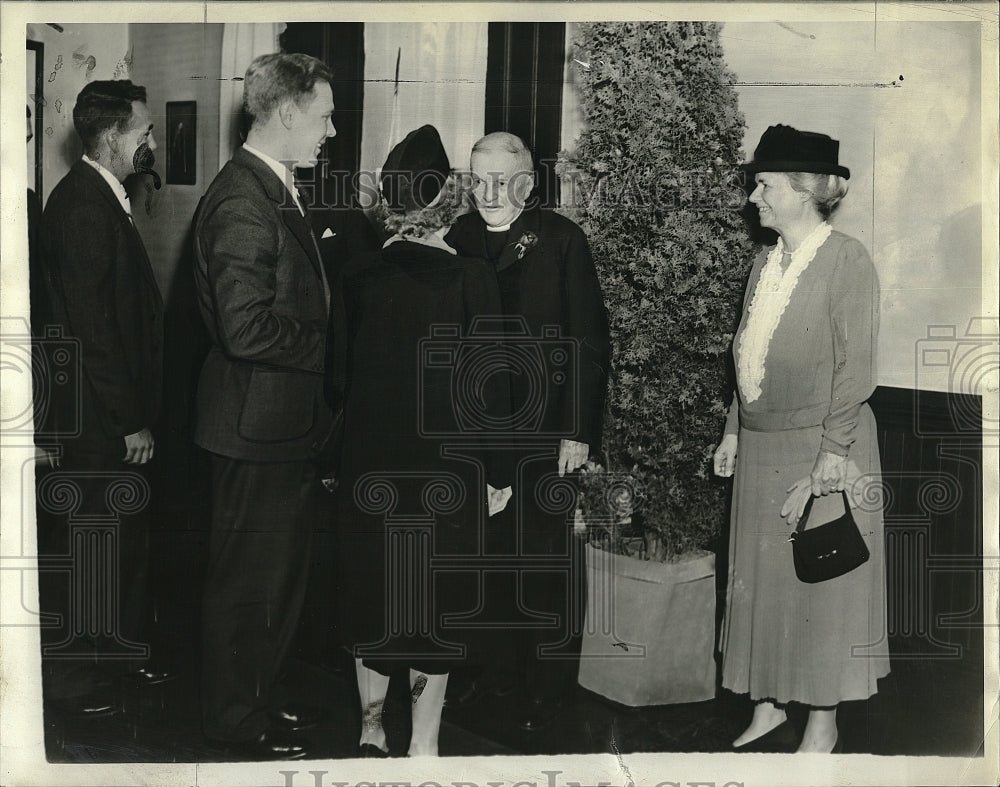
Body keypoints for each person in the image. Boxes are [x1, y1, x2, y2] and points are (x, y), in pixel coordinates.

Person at [331, 124, 513, 757]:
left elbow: (336, 382)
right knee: (434, 607)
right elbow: (488, 395)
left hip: (369, 469)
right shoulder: (473, 280)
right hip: (448, 473)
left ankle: (370, 730)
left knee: (372, 598)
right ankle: (424, 747)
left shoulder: (354, 275)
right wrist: (497, 475)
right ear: (450, 200)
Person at [713, 124, 890, 753]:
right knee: (762, 584)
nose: (753, 197)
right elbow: (747, 357)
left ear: (802, 188)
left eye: (763, 184)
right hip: (763, 447)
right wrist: (734, 428)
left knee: (821, 589)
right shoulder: (765, 263)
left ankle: (822, 721)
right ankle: (767, 704)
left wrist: (833, 455)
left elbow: (856, 369)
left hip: (822, 448)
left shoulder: (847, 260)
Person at [192, 52, 337, 760]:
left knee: (273, 583)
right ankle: (233, 724)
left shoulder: (270, 185)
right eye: (324, 116)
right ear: (286, 114)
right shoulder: (244, 199)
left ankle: (254, 700)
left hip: (275, 425)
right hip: (253, 428)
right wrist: (326, 347)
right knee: (247, 589)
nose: (332, 131)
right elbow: (244, 327)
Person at [445, 132, 610, 730]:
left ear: (528, 184)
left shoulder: (562, 240)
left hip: (545, 434)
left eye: (501, 181)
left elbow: (589, 341)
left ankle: (548, 691)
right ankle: (490, 678)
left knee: (542, 562)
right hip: (476, 435)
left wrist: (577, 431)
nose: (487, 193)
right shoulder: (456, 238)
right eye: (477, 180)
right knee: (482, 559)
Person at [38, 79, 171, 717]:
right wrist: (130, 422)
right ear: (112, 136)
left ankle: (114, 666)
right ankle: (73, 686)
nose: (149, 142)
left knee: (114, 548)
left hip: (101, 419)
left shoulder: (98, 195)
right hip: (99, 423)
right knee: (91, 551)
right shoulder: (85, 207)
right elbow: (93, 331)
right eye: (143, 132)